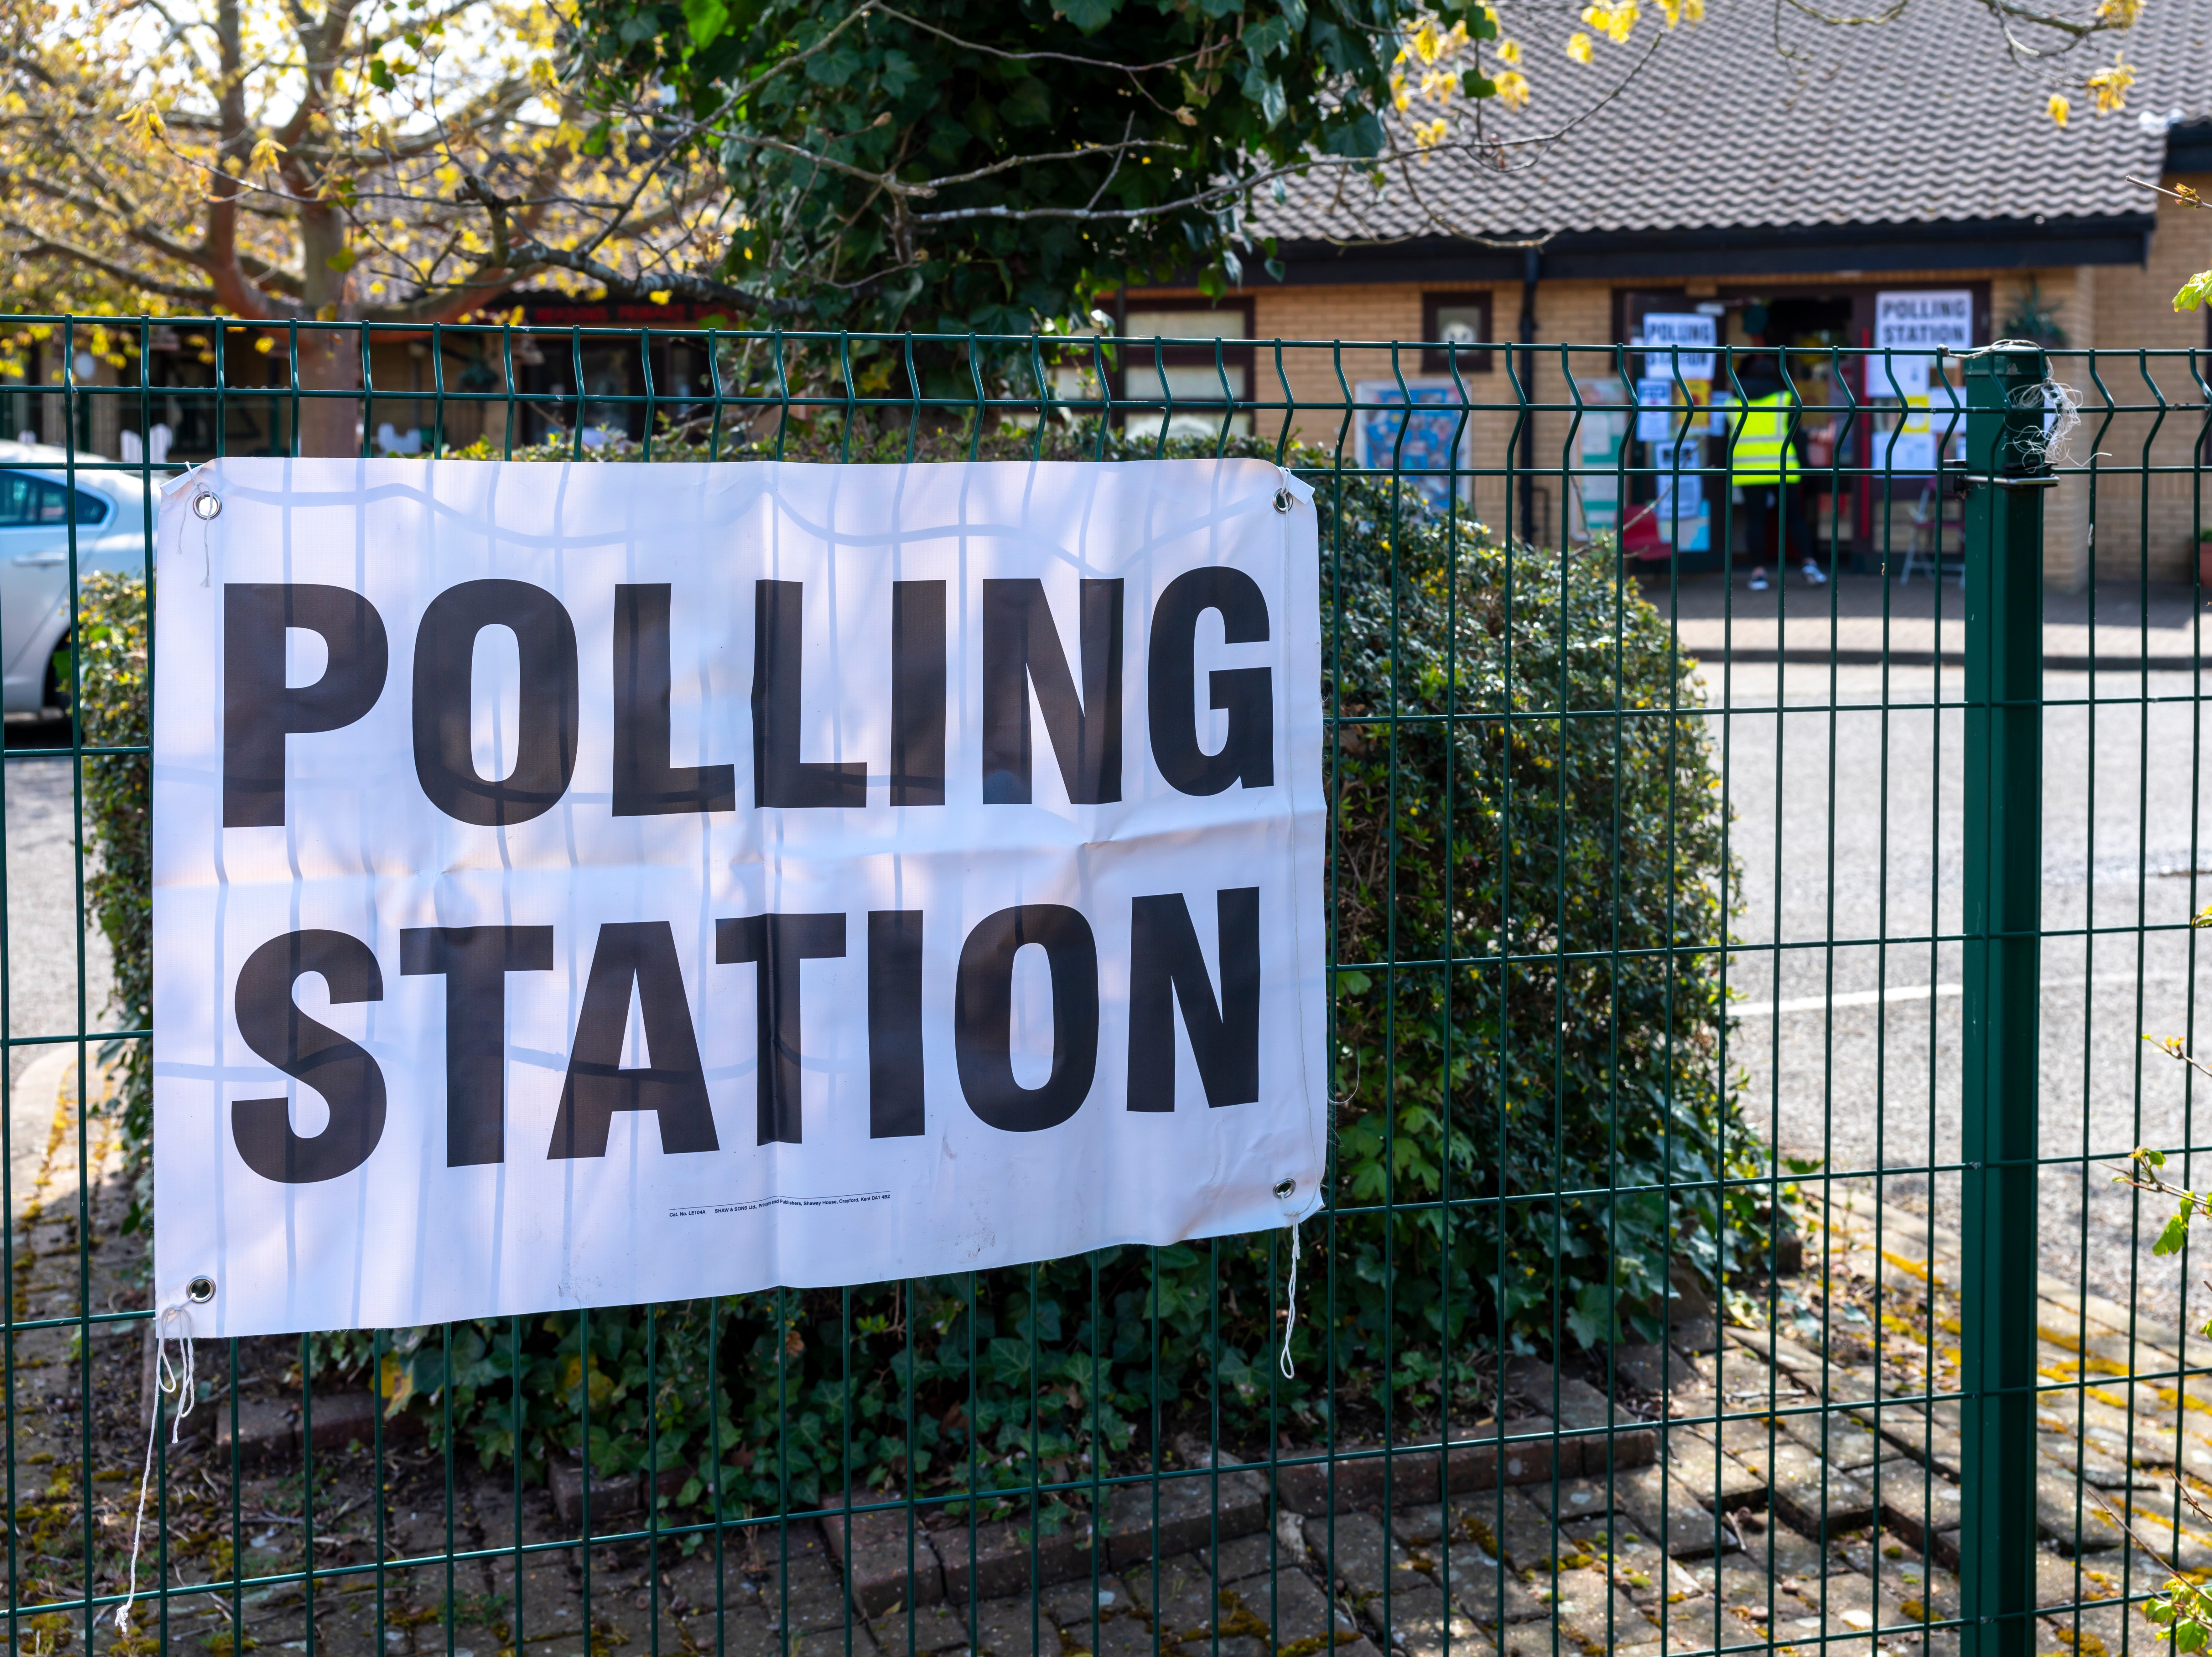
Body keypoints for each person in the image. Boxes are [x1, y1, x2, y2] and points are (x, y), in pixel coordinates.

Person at [1728, 354, 1820, 586]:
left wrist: (1722, 469)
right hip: (1784, 468)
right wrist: (1807, 467)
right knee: (1794, 518)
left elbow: (1724, 440)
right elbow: (1797, 437)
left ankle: (1758, 574)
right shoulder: (1784, 398)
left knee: (1755, 521)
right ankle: (1809, 564)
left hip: (1748, 468)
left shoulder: (1733, 401)